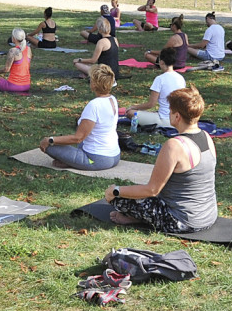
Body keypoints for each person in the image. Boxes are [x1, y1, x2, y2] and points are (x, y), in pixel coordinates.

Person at [103, 86, 217, 233]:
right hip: (208, 216)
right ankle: (135, 218)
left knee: (116, 196)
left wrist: (116, 191)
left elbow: (152, 190)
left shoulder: (174, 145)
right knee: (136, 193)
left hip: (181, 221)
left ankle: (135, 216)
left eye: (170, 111)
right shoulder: (207, 137)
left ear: (177, 117)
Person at [39, 64, 120, 170]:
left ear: (95, 84)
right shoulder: (112, 99)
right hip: (115, 155)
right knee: (81, 141)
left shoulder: (94, 105)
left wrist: (50, 140)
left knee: (49, 146)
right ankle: (72, 161)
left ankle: (73, 162)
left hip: (96, 160)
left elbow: (78, 138)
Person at [125, 47, 187, 129]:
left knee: (130, 113)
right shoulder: (181, 78)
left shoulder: (160, 79)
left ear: (161, 62)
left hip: (165, 120)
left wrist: (134, 107)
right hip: (178, 119)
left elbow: (151, 104)